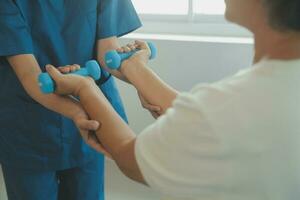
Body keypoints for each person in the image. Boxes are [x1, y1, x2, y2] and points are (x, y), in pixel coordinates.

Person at [47, 0, 300, 199]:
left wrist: (85, 89)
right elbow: (211, 120)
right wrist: (137, 69)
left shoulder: (222, 111)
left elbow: (130, 157)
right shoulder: (253, 99)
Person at [0, 0, 141, 199]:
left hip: (91, 117)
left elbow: (107, 54)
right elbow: (29, 75)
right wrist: (78, 111)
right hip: (28, 127)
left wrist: (135, 71)